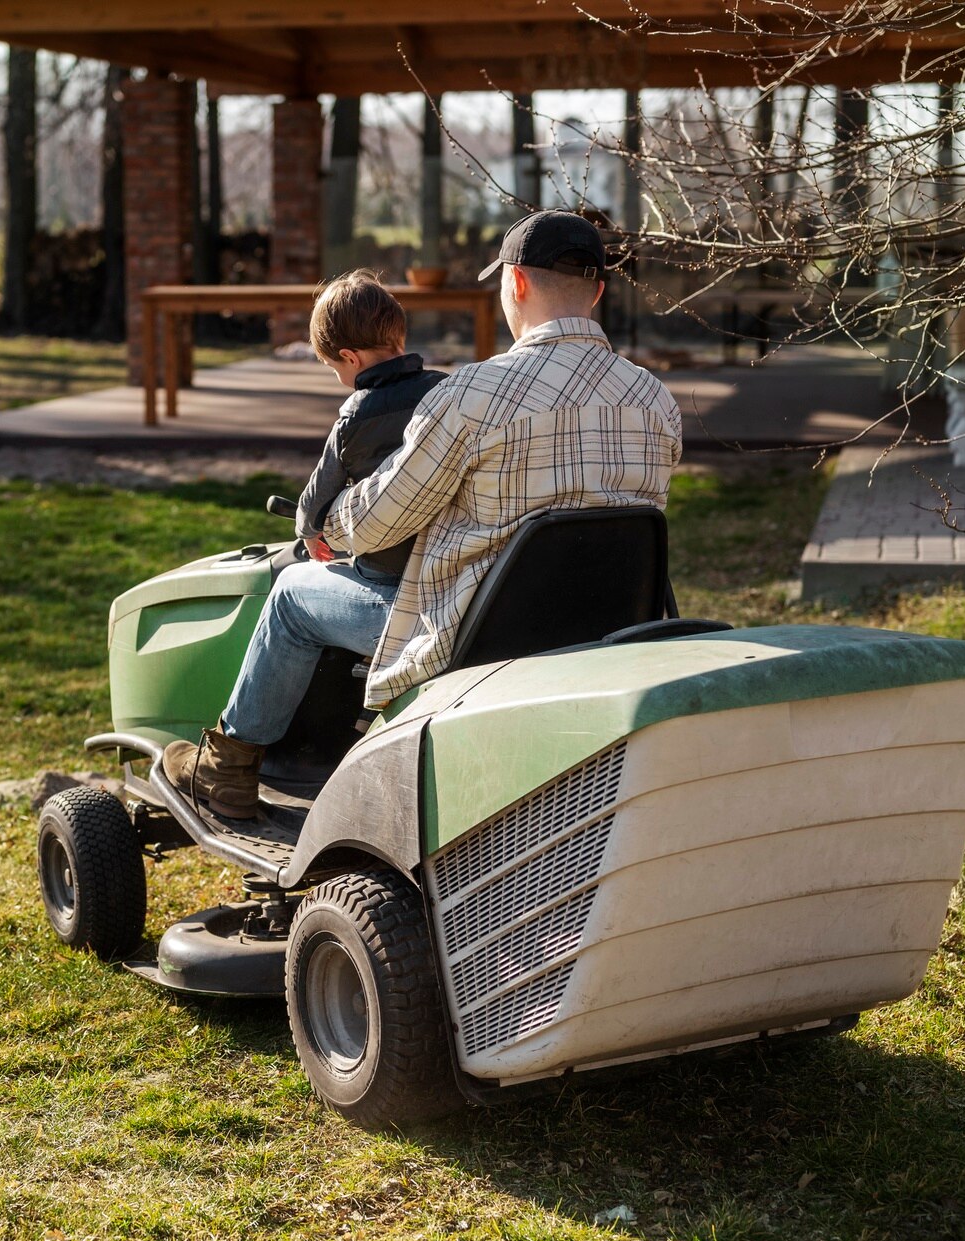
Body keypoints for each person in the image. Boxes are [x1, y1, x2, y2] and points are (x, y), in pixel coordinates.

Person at [162, 211, 683, 821]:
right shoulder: (655, 401)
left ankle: (228, 768)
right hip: (603, 631)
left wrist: (327, 522)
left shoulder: (471, 396)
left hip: (474, 636)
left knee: (293, 595)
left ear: (514, 284)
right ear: (596, 291)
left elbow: (380, 521)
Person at [291, 270, 448, 581]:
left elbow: (320, 493)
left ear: (350, 358)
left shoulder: (355, 418)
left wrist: (307, 530)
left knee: (290, 590)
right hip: (446, 559)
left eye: (332, 366)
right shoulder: (446, 391)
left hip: (385, 569)